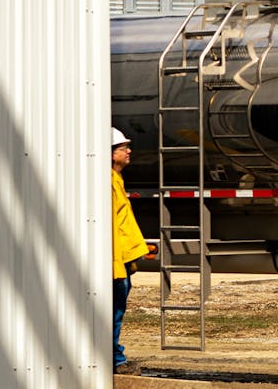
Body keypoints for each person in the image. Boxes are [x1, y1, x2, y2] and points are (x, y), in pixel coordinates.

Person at [111, 127, 150, 375]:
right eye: (123, 147)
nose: (129, 150)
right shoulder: (108, 182)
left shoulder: (116, 179)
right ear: (110, 153)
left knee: (115, 311)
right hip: (116, 262)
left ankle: (114, 359)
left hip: (122, 259)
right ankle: (115, 361)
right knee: (113, 312)